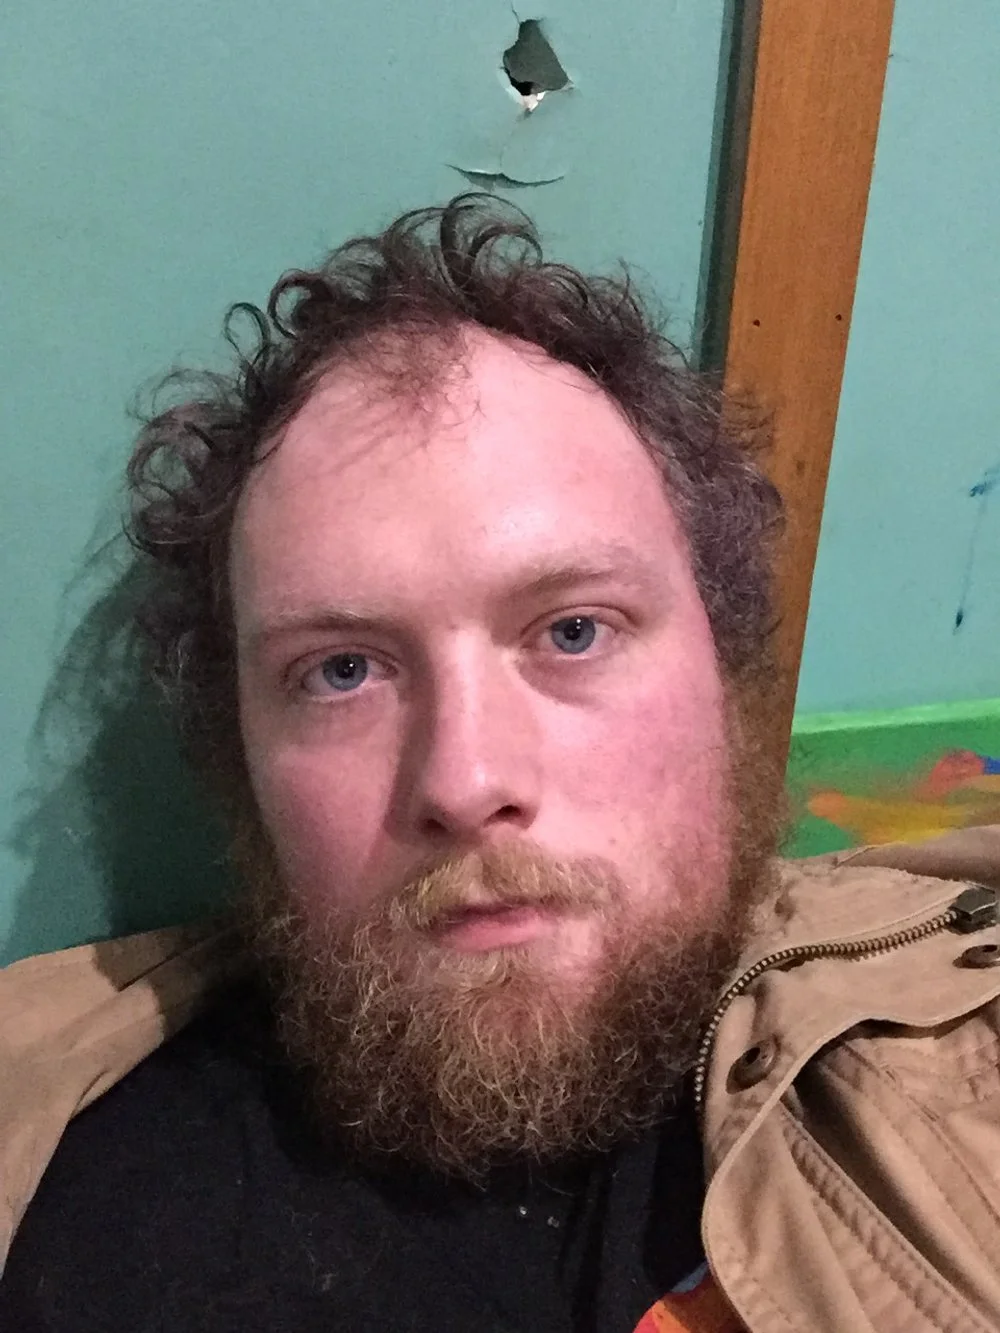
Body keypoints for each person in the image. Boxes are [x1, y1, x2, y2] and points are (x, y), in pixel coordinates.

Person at [1, 195, 999, 1333]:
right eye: (342, 671)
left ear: (723, 672)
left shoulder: (962, 1050)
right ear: (241, 759)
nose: (465, 781)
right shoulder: (63, 1188)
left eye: (572, 629)